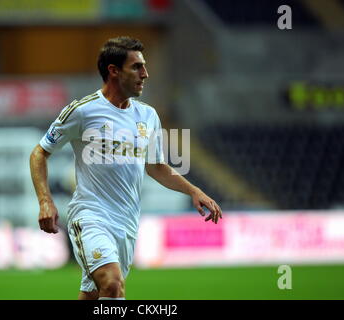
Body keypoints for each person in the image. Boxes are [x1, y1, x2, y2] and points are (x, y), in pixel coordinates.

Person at [29, 36, 222, 300]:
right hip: (91, 215)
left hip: (127, 222)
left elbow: (156, 167)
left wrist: (193, 190)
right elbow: (39, 152)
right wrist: (45, 201)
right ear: (113, 70)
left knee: (95, 294)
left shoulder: (148, 116)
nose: (146, 74)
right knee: (112, 285)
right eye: (137, 67)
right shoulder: (83, 111)